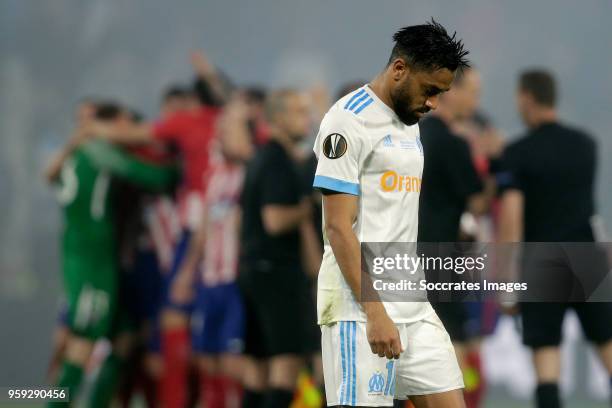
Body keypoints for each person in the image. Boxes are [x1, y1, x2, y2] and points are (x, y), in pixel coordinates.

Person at [312, 20, 469, 407]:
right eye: (430, 90)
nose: (433, 103)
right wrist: (375, 312)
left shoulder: (409, 120)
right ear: (399, 69)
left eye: (441, 94)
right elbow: (337, 227)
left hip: (411, 302)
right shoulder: (347, 121)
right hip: (358, 307)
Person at [45, 103, 179, 408]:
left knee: (124, 336)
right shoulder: (101, 154)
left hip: (91, 259)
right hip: (93, 262)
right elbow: (154, 178)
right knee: (81, 342)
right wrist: (177, 165)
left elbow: (48, 174)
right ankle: (53, 404)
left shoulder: (73, 156)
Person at [497, 69, 612, 408]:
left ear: (527, 98)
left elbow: (512, 219)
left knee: (547, 361)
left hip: (541, 261)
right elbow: (590, 209)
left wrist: (507, 286)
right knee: (607, 346)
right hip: (585, 255)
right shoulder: (585, 145)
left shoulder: (518, 153)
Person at [171, 94, 253, 408]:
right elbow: (204, 227)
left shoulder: (252, 172)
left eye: (228, 130)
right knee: (206, 360)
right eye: (220, 130)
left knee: (234, 361)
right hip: (210, 278)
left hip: (236, 280)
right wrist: (187, 272)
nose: (219, 136)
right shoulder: (216, 175)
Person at [238, 89, 317, 408]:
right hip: (276, 274)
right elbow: (274, 219)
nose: (307, 119)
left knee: (257, 369)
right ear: (278, 116)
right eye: (299, 112)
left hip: (255, 272)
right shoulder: (277, 161)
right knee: (286, 364)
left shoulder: (261, 157)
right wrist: (308, 206)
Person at [417, 67, 488, 408]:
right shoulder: (452, 142)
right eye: (472, 91)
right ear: (450, 91)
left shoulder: (412, 134)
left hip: (403, 257)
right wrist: (492, 162)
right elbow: (477, 200)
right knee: (451, 342)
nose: (476, 100)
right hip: (443, 259)